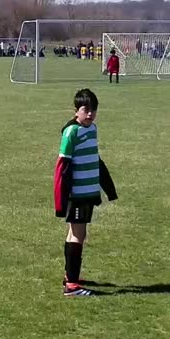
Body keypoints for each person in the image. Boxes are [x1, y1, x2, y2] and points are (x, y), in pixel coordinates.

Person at [53, 88, 117, 297]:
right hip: (77, 194)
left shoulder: (92, 129)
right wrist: (61, 200)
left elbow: (95, 160)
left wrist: (108, 188)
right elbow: (62, 167)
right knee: (77, 235)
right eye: (85, 109)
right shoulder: (71, 132)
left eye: (93, 110)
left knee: (76, 233)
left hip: (88, 193)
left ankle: (69, 275)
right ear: (76, 111)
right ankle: (72, 286)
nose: (90, 114)